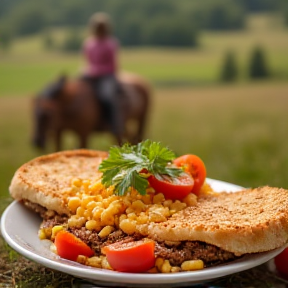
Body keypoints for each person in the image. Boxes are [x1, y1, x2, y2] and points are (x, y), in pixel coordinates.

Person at [81, 12, 124, 143]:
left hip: (106, 76)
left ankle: (114, 124)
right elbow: (87, 61)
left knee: (106, 96)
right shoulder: (89, 43)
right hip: (90, 75)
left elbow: (113, 65)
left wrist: (98, 70)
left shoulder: (110, 44)